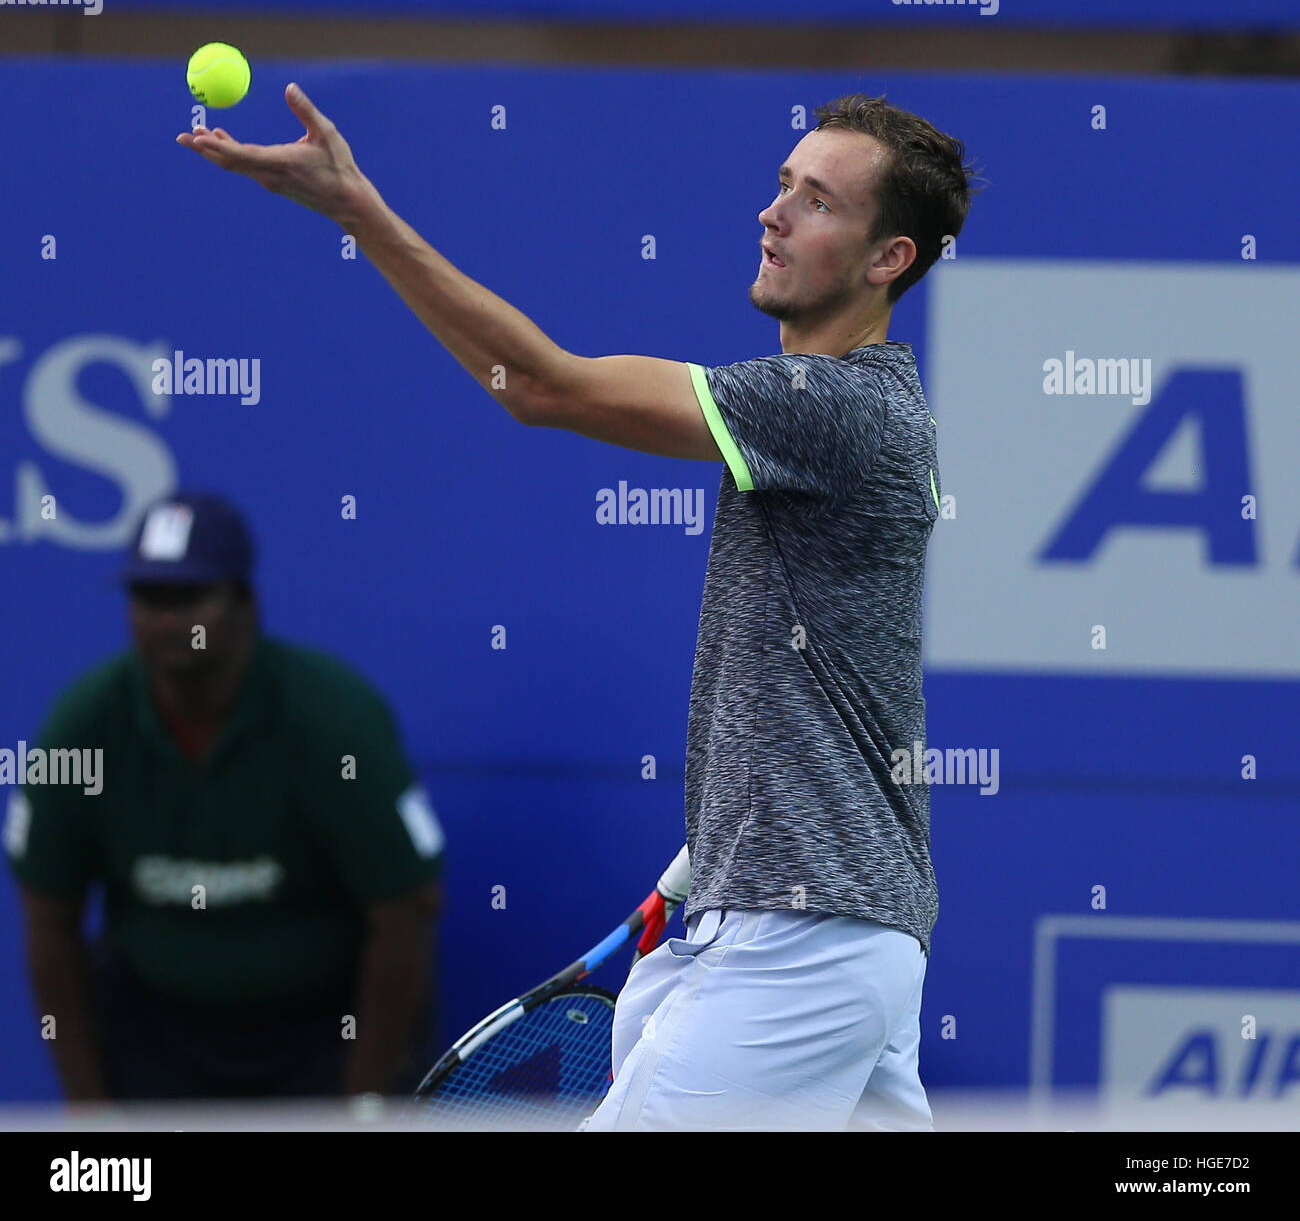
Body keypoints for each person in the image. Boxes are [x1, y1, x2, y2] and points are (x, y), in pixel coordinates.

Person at [174, 86, 978, 1129]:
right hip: (824, 927)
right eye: (781, 185)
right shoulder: (842, 413)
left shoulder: (836, 410)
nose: (773, 213)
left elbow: (542, 387)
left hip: (802, 941)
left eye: (817, 201)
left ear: (889, 260)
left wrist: (357, 212)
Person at [4, 491, 444, 1102]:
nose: (164, 621)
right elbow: (50, 923)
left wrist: (363, 1105)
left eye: (188, 598)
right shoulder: (81, 727)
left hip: (323, 1033)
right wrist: (91, 1112)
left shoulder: (334, 720)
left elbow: (407, 911)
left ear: (244, 603)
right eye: (148, 599)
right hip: (154, 1035)